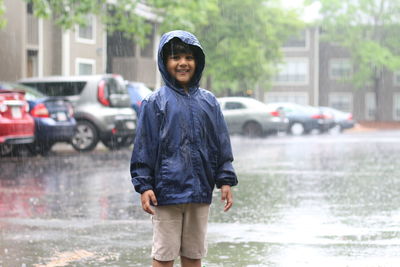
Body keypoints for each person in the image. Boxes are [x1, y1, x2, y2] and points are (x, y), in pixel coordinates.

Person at [130, 30, 238, 267]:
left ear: (197, 62)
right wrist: (144, 185)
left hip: (200, 192)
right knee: (164, 255)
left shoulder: (209, 102)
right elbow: (144, 146)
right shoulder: (155, 102)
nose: (182, 63)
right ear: (164, 62)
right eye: (175, 57)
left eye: (189, 57)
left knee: (193, 254)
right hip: (166, 193)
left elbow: (220, 144)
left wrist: (225, 180)